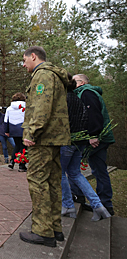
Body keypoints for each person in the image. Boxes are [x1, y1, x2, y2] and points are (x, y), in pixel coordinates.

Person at [18, 46, 71, 248]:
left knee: (38, 181)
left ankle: (42, 231)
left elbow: (42, 106)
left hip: (43, 139)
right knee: (52, 182)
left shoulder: (42, 75)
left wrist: (32, 131)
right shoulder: (56, 76)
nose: (24, 64)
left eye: (24, 60)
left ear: (34, 56)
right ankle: (55, 228)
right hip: (56, 137)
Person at [60, 74, 111, 221]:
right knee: (75, 173)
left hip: (69, 141)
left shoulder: (68, 98)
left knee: (61, 172)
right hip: (81, 141)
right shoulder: (78, 98)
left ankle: (68, 205)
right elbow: (85, 117)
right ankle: (98, 205)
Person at [72, 74, 115, 216]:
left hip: (95, 138)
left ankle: (79, 197)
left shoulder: (87, 93)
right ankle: (105, 204)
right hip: (99, 137)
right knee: (99, 170)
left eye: (75, 81)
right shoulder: (87, 93)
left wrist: (93, 135)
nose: (72, 83)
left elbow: (93, 114)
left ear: (82, 82)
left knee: (73, 168)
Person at [4, 92, 27, 172]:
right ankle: (22, 165)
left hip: (13, 128)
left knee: (17, 146)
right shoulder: (25, 107)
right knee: (24, 147)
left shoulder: (9, 108)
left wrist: (7, 131)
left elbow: (6, 120)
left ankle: (12, 161)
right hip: (23, 128)